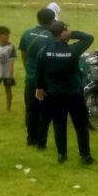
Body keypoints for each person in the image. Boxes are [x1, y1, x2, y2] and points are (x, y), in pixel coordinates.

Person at [36, 20, 95, 164]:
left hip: (54, 94)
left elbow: (40, 71)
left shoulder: (44, 50)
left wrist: (40, 87)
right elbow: (89, 38)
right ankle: (85, 156)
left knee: (59, 124)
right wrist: (73, 34)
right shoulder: (73, 50)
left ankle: (62, 155)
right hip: (73, 93)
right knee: (80, 125)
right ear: (64, 32)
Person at [18, 8, 56, 148]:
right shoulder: (52, 37)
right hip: (45, 82)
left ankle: (30, 138)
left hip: (30, 79)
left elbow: (23, 54)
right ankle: (41, 140)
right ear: (52, 21)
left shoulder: (27, 34)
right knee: (44, 112)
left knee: (30, 109)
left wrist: (29, 70)